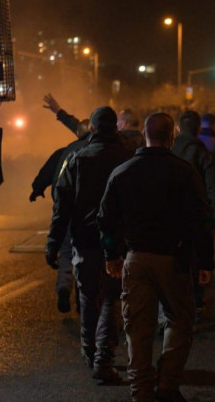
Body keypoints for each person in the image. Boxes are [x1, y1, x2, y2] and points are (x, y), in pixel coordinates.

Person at [99, 112, 215, 402]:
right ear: (171, 137)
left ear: (146, 136)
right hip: (173, 260)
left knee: (137, 328)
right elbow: (201, 219)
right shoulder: (184, 172)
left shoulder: (123, 172)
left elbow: (106, 219)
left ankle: (140, 392)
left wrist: (112, 254)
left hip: (135, 258)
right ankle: (167, 385)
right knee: (179, 321)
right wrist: (204, 262)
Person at [47, 106, 133, 383]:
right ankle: (103, 358)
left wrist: (53, 242)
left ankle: (89, 350)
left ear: (92, 129)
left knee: (87, 297)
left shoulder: (76, 159)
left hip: (84, 240)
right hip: (118, 243)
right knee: (112, 296)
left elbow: (61, 206)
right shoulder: (128, 158)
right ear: (115, 128)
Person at [172, 110, 215, 324]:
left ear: (179, 128)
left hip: (167, 222)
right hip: (197, 224)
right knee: (195, 267)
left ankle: (169, 314)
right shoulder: (205, 156)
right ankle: (193, 308)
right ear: (198, 130)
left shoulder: (168, 152)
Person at [33, 118, 91, 313]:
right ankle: (82, 298)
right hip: (88, 212)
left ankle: (64, 286)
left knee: (66, 251)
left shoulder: (65, 151)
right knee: (85, 253)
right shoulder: (97, 150)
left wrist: (36, 189)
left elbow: (47, 172)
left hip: (65, 207)